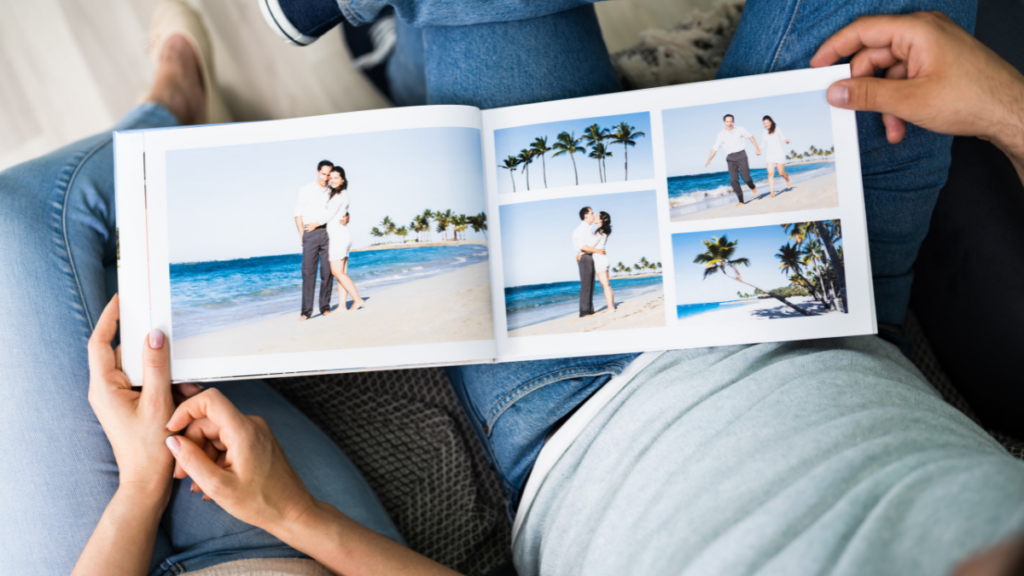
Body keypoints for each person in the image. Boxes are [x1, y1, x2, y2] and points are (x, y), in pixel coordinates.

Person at [4, 2, 1024, 576]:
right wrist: (1003, 107)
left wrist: (298, 516)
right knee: (906, 16)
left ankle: (379, 33)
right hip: (823, 300)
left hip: (576, 400)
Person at [293, 159, 336, 320]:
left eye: (328, 175)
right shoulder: (305, 190)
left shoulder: (334, 190)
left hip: (329, 233)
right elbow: (297, 214)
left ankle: (325, 307)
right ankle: (306, 312)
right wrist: (301, 236)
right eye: (323, 174)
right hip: (310, 233)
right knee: (308, 273)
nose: (325, 178)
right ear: (318, 172)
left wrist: (347, 218)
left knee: (327, 272)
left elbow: (342, 209)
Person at [324, 165, 365, 312]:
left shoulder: (339, 195)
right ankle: (342, 305)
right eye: (331, 178)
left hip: (338, 237)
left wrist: (314, 223)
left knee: (337, 272)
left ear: (342, 180)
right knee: (341, 273)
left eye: (336, 178)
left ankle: (357, 299)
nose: (333, 180)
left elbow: (327, 216)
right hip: (342, 235)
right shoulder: (340, 194)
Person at [705, 114, 761, 206]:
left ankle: (753, 187)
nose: (729, 123)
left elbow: (750, 136)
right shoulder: (721, 135)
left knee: (746, 178)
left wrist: (757, 148)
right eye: (727, 121)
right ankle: (741, 201)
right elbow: (715, 148)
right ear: (724, 122)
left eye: (731, 121)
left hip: (741, 155)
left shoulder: (740, 129)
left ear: (733, 122)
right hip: (730, 158)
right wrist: (709, 160)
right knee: (733, 180)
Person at [587, 211, 616, 315]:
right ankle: (611, 307)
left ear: (601, 219)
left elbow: (590, 245)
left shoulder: (600, 231)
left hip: (600, 259)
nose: (594, 217)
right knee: (606, 285)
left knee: (605, 285)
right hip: (603, 259)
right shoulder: (603, 230)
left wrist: (582, 252)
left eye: (597, 216)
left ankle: (611, 308)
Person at [571, 206, 597, 317]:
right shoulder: (580, 229)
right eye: (592, 213)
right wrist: (598, 251)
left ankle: (590, 310)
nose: (593, 215)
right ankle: (584, 312)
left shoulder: (589, 228)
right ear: (585, 215)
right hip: (585, 257)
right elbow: (582, 246)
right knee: (586, 285)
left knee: (591, 284)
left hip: (589, 256)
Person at [761, 114, 793, 197]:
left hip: (779, 153)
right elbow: (763, 144)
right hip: (770, 155)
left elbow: (783, 138)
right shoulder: (764, 133)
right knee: (770, 173)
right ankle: (772, 193)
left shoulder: (777, 129)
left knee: (781, 173)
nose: (766, 125)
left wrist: (786, 141)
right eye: (764, 123)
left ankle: (787, 179)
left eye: (767, 123)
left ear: (771, 122)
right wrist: (759, 149)